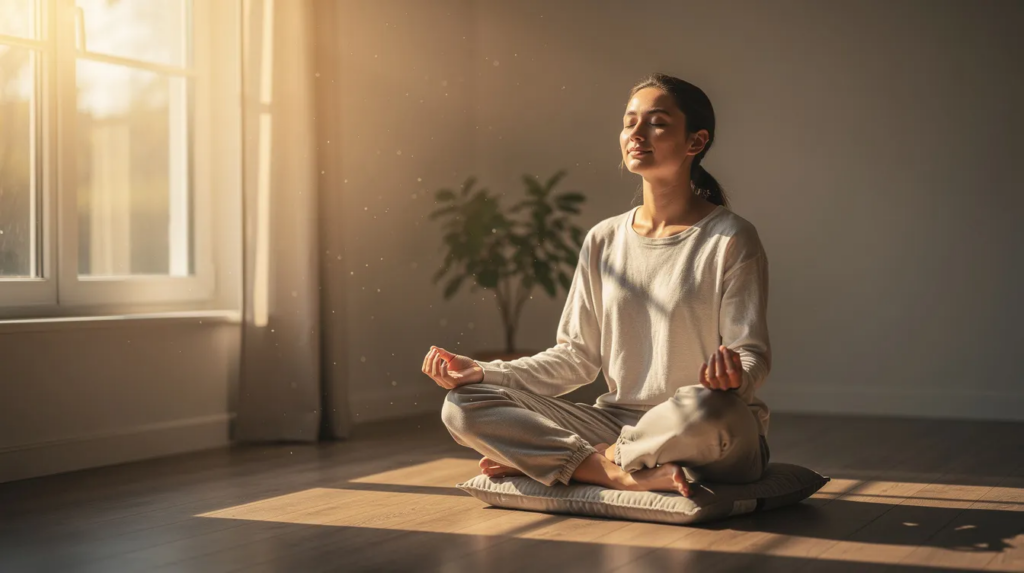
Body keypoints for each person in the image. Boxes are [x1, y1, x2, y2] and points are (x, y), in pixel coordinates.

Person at [420, 73, 771, 497]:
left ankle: (578, 459)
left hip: (701, 422)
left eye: (657, 123)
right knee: (463, 405)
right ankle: (614, 472)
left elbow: (749, 353)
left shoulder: (731, 237)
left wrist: (734, 380)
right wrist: (483, 372)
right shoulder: (603, 239)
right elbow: (576, 357)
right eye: (629, 122)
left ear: (695, 142)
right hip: (615, 422)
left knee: (707, 410)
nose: (636, 134)